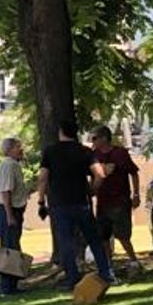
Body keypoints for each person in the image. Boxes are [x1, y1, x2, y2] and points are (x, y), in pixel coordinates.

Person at [34, 119, 114, 289]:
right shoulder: (84, 151)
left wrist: (41, 201)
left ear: (61, 132)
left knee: (66, 242)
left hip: (59, 203)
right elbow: (100, 174)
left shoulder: (50, 152)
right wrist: (92, 191)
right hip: (81, 203)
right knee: (94, 240)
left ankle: (73, 278)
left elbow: (43, 178)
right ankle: (105, 273)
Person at [88, 125, 142, 272]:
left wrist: (136, 194)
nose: (93, 141)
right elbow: (92, 177)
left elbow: (134, 172)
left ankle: (134, 261)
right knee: (103, 235)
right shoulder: (94, 155)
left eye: (95, 138)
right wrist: (92, 190)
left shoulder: (120, 153)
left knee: (123, 234)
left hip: (120, 200)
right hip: (102, 201)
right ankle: (109, 266)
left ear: (104, 138)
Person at [0, 137, 29, 297]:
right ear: (11, 149)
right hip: (8, 210)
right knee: (8, 247)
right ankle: (6, 287)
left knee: (13, 246)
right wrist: (9, 214)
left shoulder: (13, 165)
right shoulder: (8, 165)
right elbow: (6, 191)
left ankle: (12, 284)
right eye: (19, 147)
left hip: (12, 210)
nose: (22, 150)